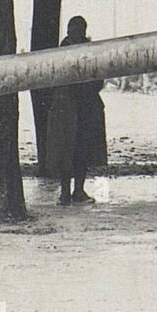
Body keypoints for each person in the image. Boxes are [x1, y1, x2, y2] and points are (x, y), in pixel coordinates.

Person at [45, 16, 108, 205]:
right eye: (73, 29)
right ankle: (66, 192)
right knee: (66, 151)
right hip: (66, 109)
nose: (75, 32)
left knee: (82, 151)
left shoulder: (87, 51)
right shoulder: (62, 52)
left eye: (78, 29)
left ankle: (77, 191)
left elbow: (98, 79)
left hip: (83, 109)